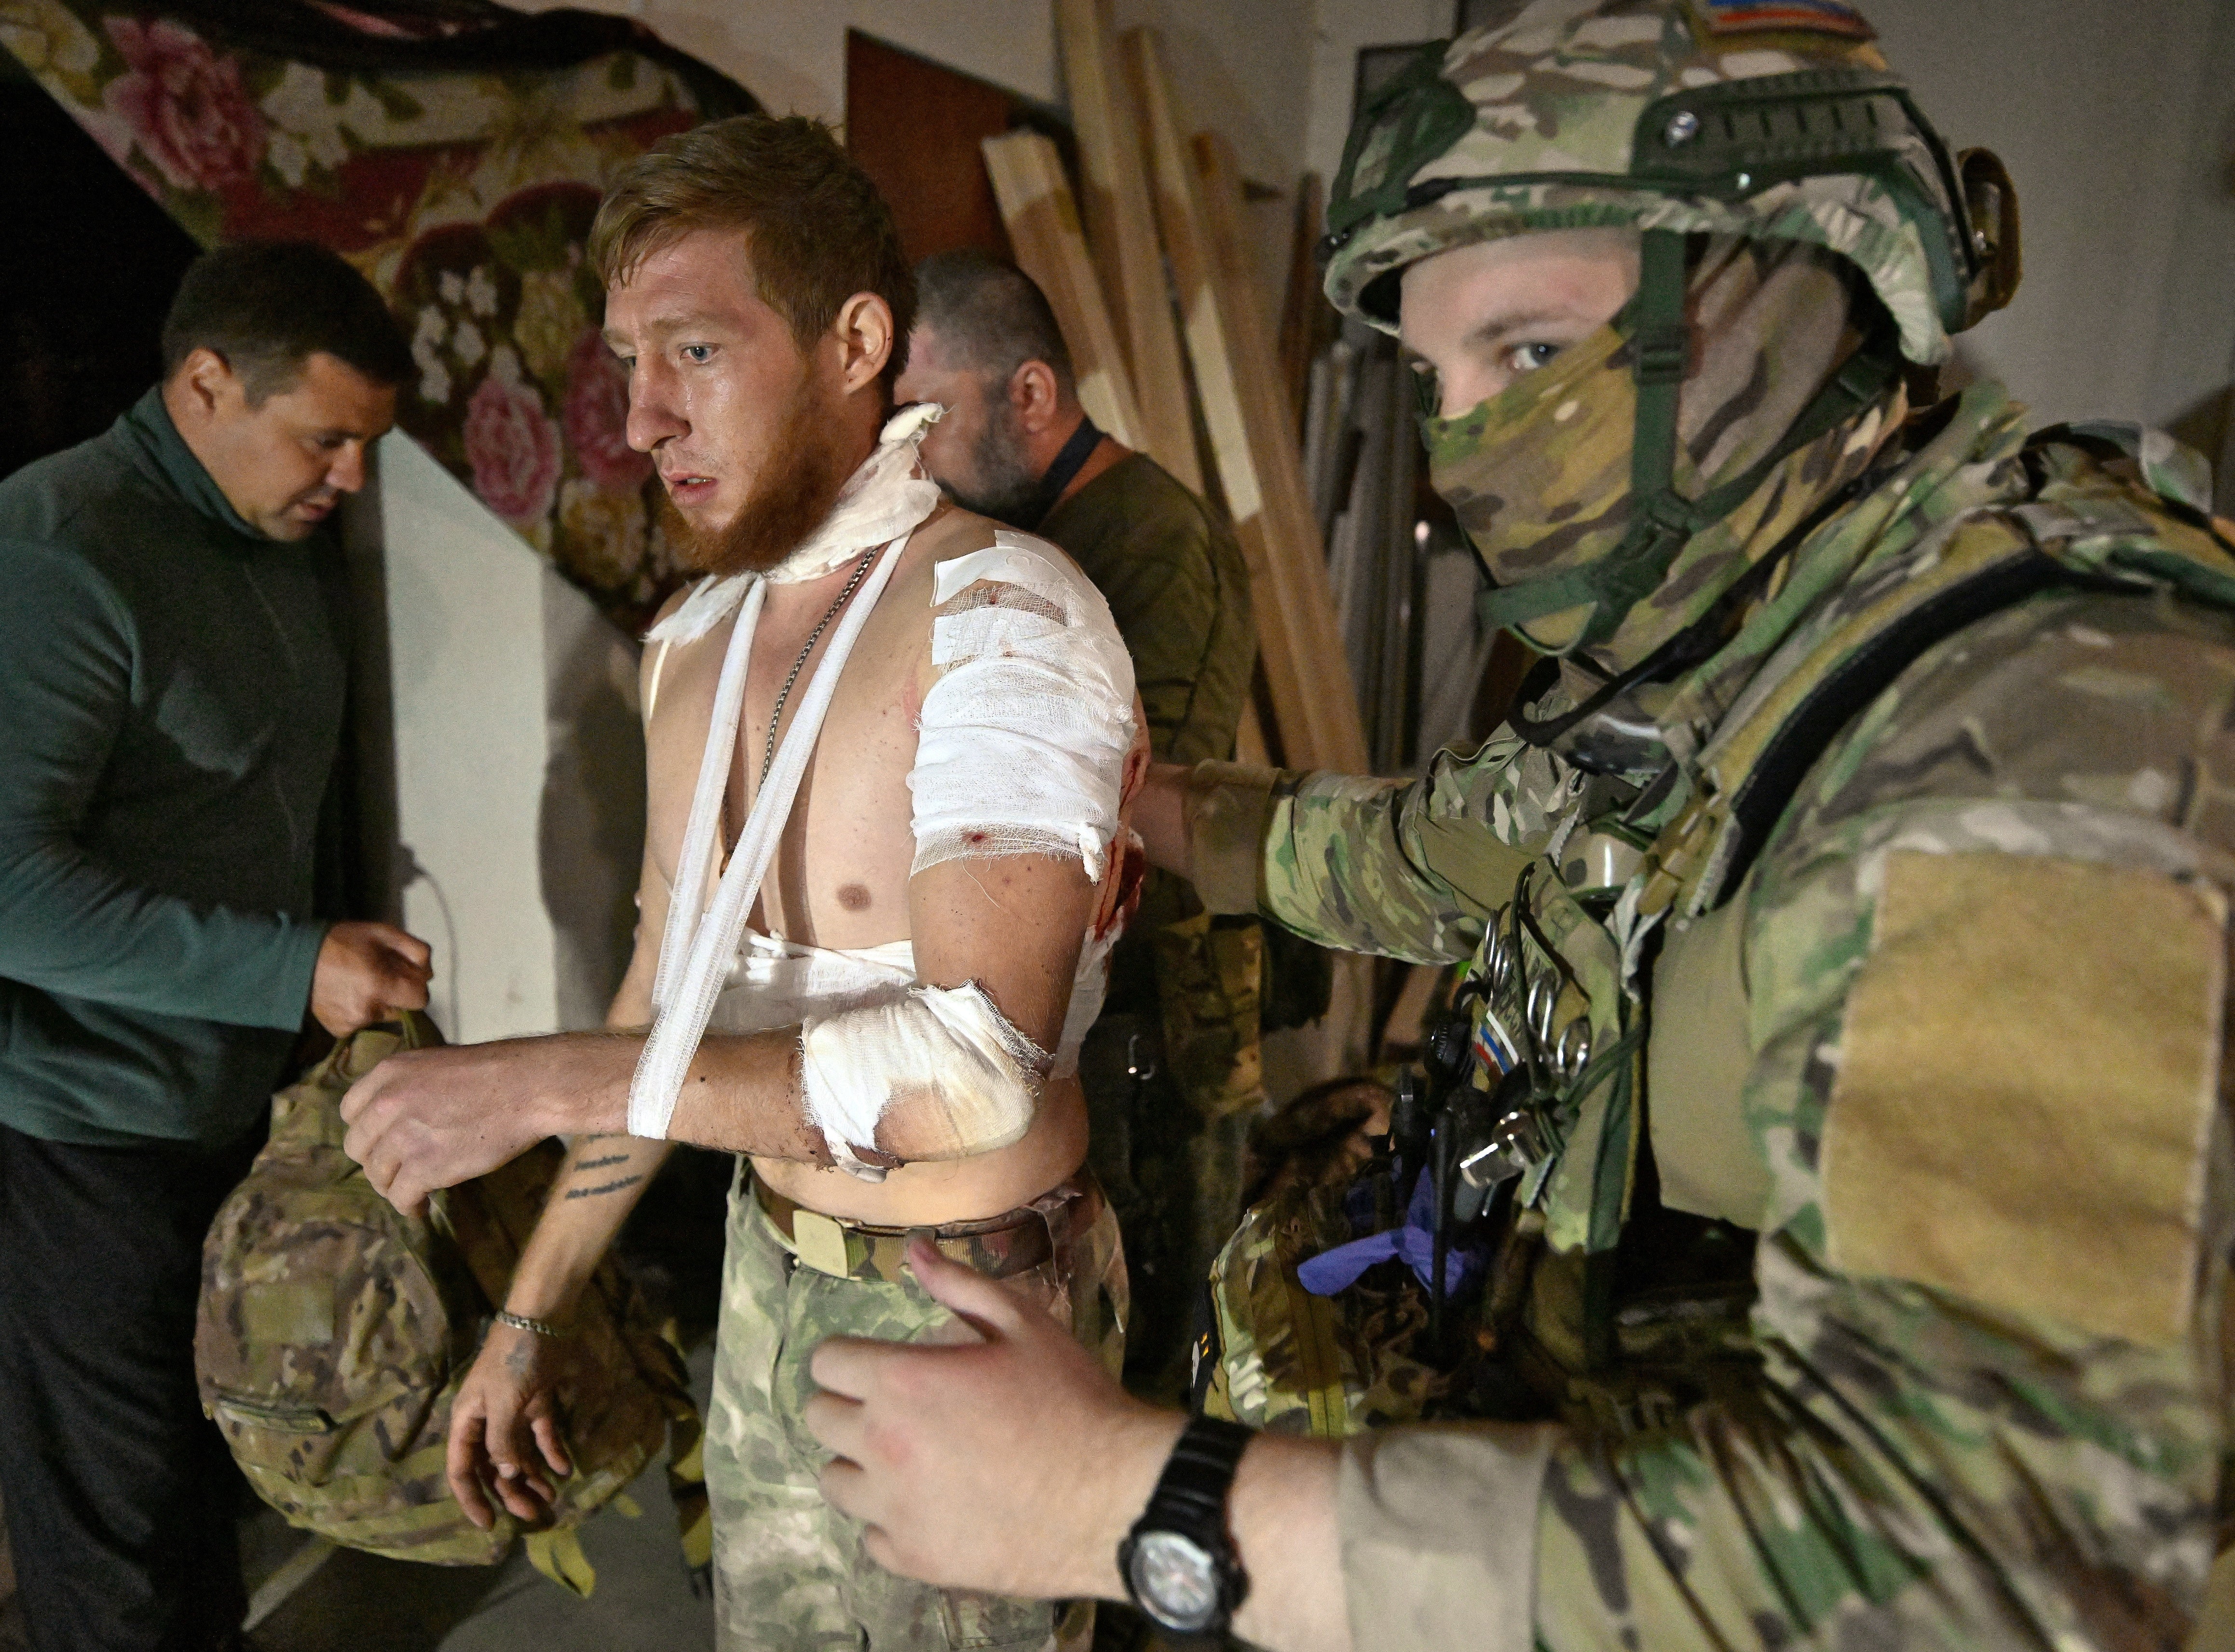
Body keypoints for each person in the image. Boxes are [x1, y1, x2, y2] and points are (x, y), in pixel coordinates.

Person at [789, 3, 2235, 1648]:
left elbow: (1981, 1568)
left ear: (1789, 289)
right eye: (1436, 373)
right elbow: (1435, 851)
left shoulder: (2044, 739)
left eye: (1533, 354)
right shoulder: (1735, 636)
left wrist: (1134, 1501)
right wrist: (1116, 799)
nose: (1469, 438)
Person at [337, 114, 1144, 1652]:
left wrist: (521, 1089)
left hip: (970, 1308)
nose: (640, 418)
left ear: (856, 342)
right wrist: (529, 1313)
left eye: (695, 352)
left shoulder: (1004, 617)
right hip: (768, 1273)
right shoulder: (692, 644)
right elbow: (666, 1003)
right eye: (629, 360)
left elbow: (972, 1074)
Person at [0, 240, 431, 1652]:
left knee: (211, 1505)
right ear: (202, 384)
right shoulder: (59, 555)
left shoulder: (267, 536)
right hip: (77, 1132)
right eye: (327, 438)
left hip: (226, 1117)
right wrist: (289, 965)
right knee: (116, 1549)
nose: (352, 479)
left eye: (367, 444)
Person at [897, 249, 1260, 1400]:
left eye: (929, 417)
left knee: (1152, 1342)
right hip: (1080, 1011)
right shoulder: (1021, 539)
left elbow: (1124, 799)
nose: (912, 455)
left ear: (1033, 397)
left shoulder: (1149, 537)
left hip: (1156, 1015)